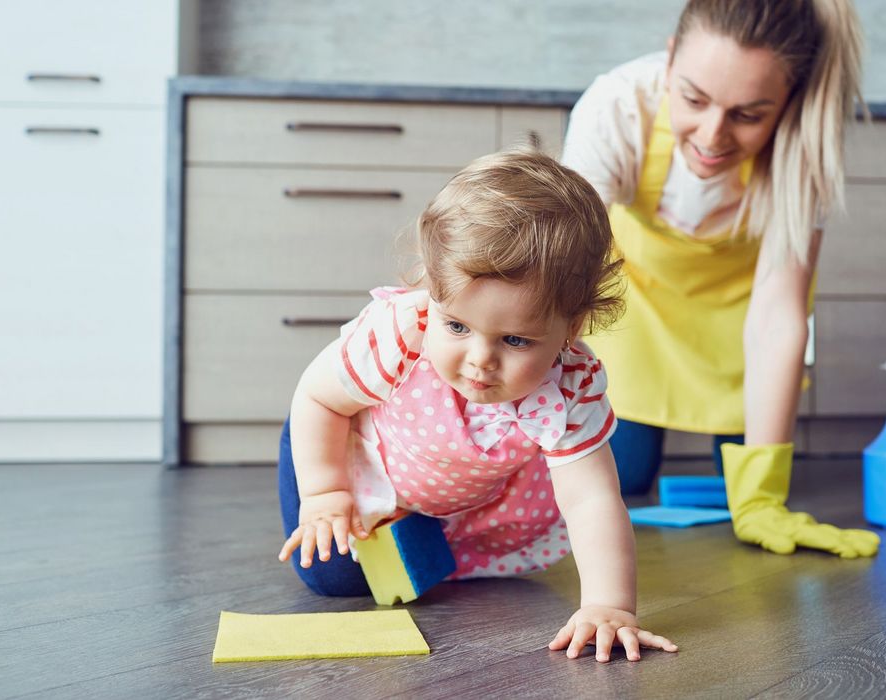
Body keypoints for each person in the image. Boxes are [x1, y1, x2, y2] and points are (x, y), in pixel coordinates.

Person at [276, 149, 678, 663]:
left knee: (441, 564)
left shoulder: (571, 386)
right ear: (431, 288)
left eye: (515, 340)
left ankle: (427, 526)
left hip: (459, 486)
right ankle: (389, 516)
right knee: (335, 577)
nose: (479, 361)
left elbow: (592, 499)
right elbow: (317, 399)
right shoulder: (400, 333)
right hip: (344, 445)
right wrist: (326, 493)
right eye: (458, 327)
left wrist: (610, 606)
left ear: (570, 329)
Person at [561, 0, 880, 558]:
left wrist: (761, 499)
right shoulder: (616, 107)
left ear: (789, 101)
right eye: (692, 99)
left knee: (745, 490)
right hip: (636, 307)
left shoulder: (806, 147)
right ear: (669, 58)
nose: (712, 135)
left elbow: (780, 316)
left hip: (741, 320)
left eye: (749, 114)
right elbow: (564, 272)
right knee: (623, 475)